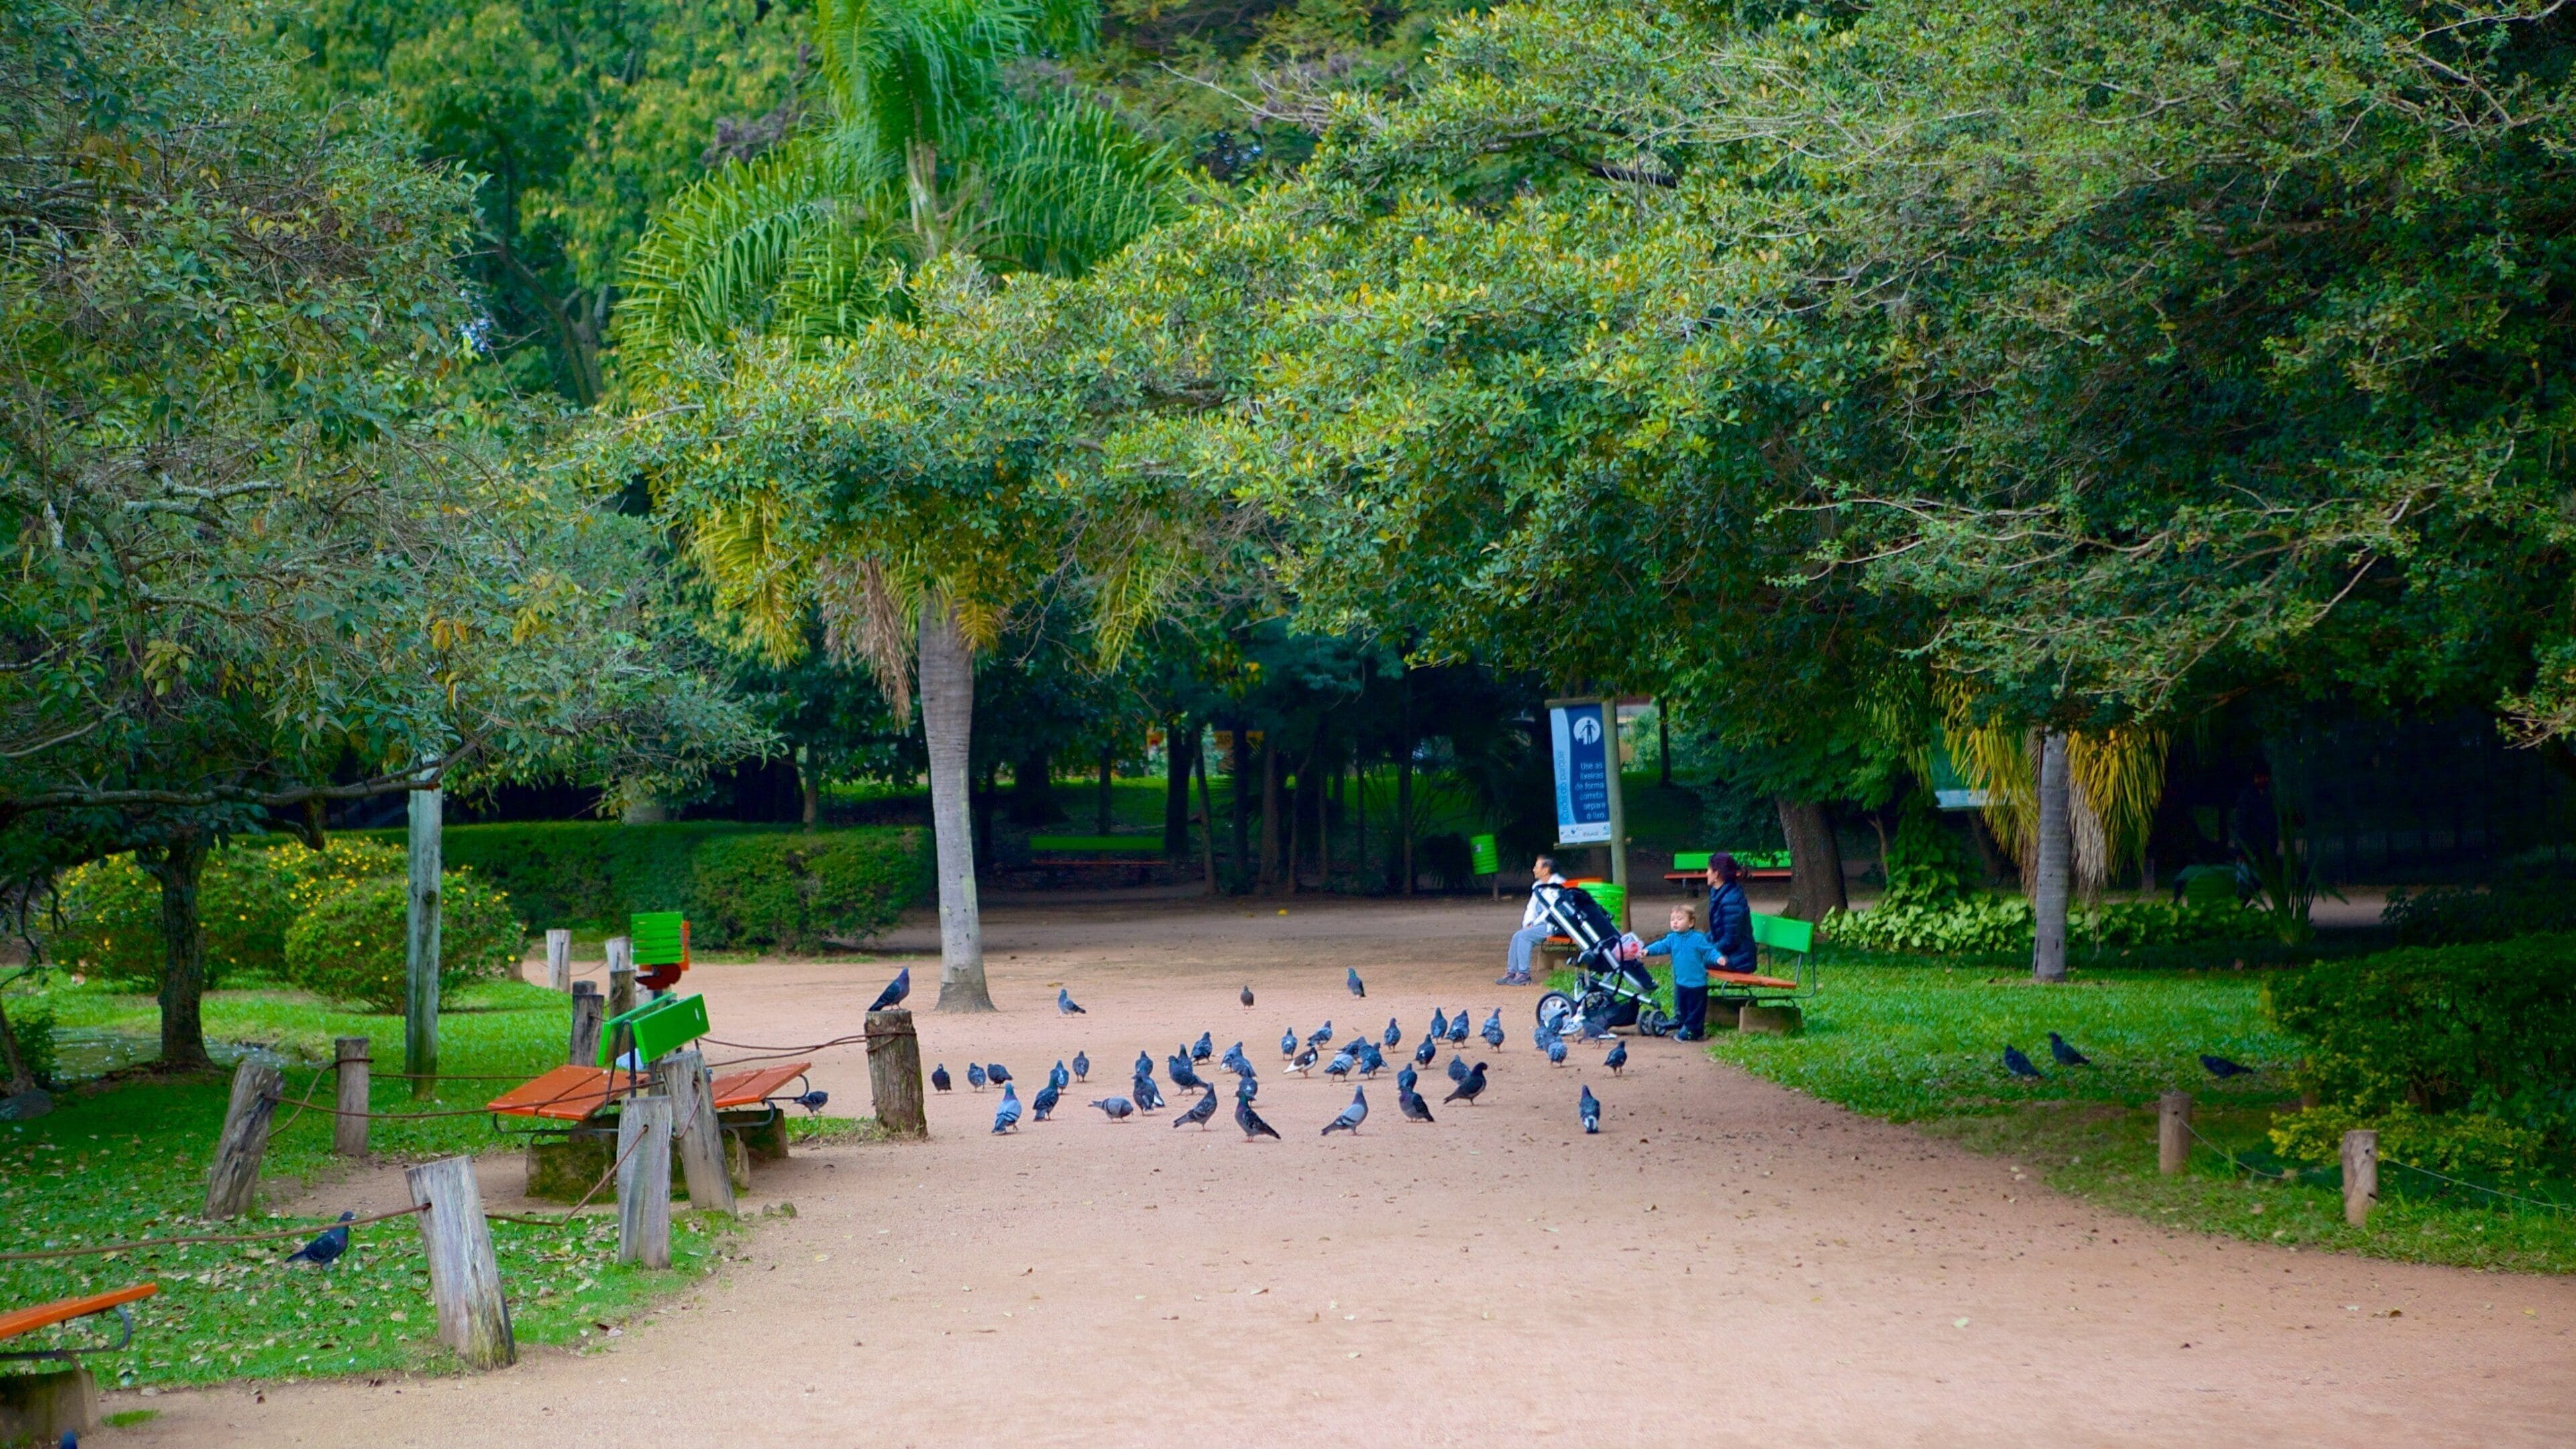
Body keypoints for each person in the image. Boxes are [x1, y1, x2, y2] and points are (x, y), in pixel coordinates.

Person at [1640, 903, 1719, 1040]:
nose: (1675, 922)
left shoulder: (1698, 938)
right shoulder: (1672, 938)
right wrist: (1648, 950)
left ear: (1691, 923)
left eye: (1679, 919)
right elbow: (1661, 946)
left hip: (1697, 983)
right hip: (1681, 982)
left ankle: (1693, 1032)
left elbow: (1709, 951)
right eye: (1672, 919)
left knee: (1696, 1010)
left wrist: (1718, 958)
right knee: (1683, 1008)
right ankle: (1687, 1028)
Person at [1499, 855, 1567, 985]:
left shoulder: (1558, 885)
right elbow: (1531, 908)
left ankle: (1524, 975)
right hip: (1541, 925)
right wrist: (1528, 923)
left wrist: (1534, 925)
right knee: (1517, 935)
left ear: (1546, 870)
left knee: (1524, 936)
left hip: (1555, 925)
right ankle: (1512, 972)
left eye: (1537, 867)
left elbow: (1552, 911)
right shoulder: (1538, 886)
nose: (1534, 869)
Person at [1704, 851, 1756, 978]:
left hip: (1739, 960)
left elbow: (1730, 941)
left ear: (1716, 874)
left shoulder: (1731, 900)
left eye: (1708, 870)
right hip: (1730, 955)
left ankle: (1690, 993)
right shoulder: (1719, 893)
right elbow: (1717, 932)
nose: (1706, 873)